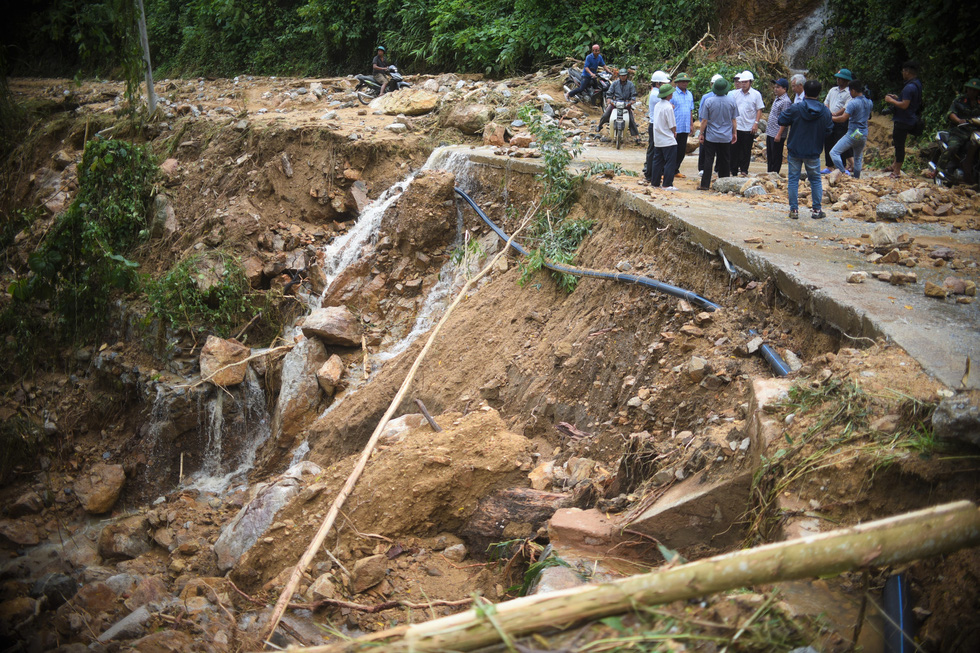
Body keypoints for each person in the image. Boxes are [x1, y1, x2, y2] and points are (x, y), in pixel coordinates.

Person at [778, 80, 833, 219]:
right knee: (815, 180)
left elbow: (781, 120)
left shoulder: (796, 108)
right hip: (813, 151)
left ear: (805, 91)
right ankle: (816, 210)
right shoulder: (825, 111)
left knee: (793, 179)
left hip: (795, 149)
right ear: (819, 93)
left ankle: (794, 210)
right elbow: (829, 130)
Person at [884, 60, 922, 179]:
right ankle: (894, 165)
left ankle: (896, 171)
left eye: (903, 71)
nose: (902, 73)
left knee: (899, 145)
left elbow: (905, 105)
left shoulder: (909, 87)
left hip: (904, 120)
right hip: (910, 118)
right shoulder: (917, 84)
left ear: (907, 72)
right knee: (899, 143)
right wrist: (897, 98)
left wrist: (891, 101)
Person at [698, 77, 737, 190]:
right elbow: (733, 120)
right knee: (725, 159)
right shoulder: (731, 101)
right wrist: (734, 133)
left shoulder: (709, 101)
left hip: (711, 136)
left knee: (708, 159)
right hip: (725, 136)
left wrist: (701, 133)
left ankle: (705, 184)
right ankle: (724, 184)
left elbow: (704, 120)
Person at [830, 80, 873, 178]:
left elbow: (843, 118)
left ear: (853, 90)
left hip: (853, 133)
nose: (849, 93)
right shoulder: (869, 102)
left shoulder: (853, 103)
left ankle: (843, 173)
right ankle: (856, 178)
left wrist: (830, 118)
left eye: (850, 91)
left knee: (834, 152)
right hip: (863, 133)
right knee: (857, 158)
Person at [942, 78, 980, 185]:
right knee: (953, 147)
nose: (972, 92)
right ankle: (938, 171)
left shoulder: (979, 102)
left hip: (975, 132)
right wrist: (958, 120)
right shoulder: (959, 100)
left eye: (975, 90)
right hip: (959, 130)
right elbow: (950, 113)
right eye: (970, 89)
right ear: (967, 89)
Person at [730, 70, 765, 175]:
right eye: (742, 82)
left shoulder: (756, 94)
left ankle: (744, 170)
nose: (743, 84)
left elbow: (759, 109)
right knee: (734, 149)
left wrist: (756, 123)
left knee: (746, 150)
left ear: (750, 82)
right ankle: (733, 170)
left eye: (745, 82)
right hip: (737, 126)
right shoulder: (735, 94)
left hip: (749, 126)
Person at [822, 69, 853, 173]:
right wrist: (828, 112)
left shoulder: (849, 93)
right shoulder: (832, 90)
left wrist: (835, 114)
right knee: (828, 141)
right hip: (830, 120)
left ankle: (842, 166)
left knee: (839, 142)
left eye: (840, 78)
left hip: (841, 122)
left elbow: (846, 107)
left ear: (845, 80)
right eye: (838, 78)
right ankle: (829, 166)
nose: (838, 80)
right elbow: (826, 102)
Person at [649, 83, 678, 189]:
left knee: (657, 161)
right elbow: (672, 124)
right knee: (670, 162)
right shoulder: (668, 107)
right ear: (669, 94)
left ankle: (655, 182)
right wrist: (674, 132)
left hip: (658, 138)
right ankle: (667, 183)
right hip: (667, 139)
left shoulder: (657, 105)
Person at [596, 67, 638, 140]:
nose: (623, 77)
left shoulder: (630, 84)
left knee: (631, 119)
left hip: (626, 104)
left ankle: (636, 136)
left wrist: (631, 102)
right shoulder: (615, 83)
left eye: (624, 75)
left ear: (627, 76)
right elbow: (609, 93)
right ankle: (599, 126)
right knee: (606, 114)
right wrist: (609, 100)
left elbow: (633, 96)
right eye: (622, 75)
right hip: (616, 103)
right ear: (619, 76)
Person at [644, 70, 671, 177]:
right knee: (654, 150)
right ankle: (650, 173)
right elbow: (668, 105)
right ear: (657, 83)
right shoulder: (656, 94)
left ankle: (651, 172)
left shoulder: (654, 93)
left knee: (654, 149)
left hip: (655, 124)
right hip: (656, 125)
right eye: (663, 84)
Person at [697, 73, 724, 178]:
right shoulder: (706, 97)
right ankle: (702, 168)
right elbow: (701, 113)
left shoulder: (727, 97)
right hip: (708, 125)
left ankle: (717, 168)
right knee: (704, 149)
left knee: (719, 149)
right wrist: (702, 129)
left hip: (720, 126)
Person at [670, 72, 694, 179]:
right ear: (677, 82)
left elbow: (690, 110)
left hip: (684, 126)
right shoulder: (673, 94)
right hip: (675, 126)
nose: (685, 83)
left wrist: (691, 124)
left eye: (686, 82)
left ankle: (675, 169)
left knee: (681, 150)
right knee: (671, 150)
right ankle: (667, 170)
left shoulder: (689, 94)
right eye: (682, 81)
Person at [766, 78, 792, 173]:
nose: (775, 89)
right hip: (771, 132)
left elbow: (785, 120)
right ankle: (770, 172)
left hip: (777, 133)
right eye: (775, 87)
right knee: (770, 154)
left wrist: (779, 134)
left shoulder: (785, 101)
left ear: (784, 89)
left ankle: (775, 173)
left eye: (778, 87)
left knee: (776, 155)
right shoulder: (778, 98)